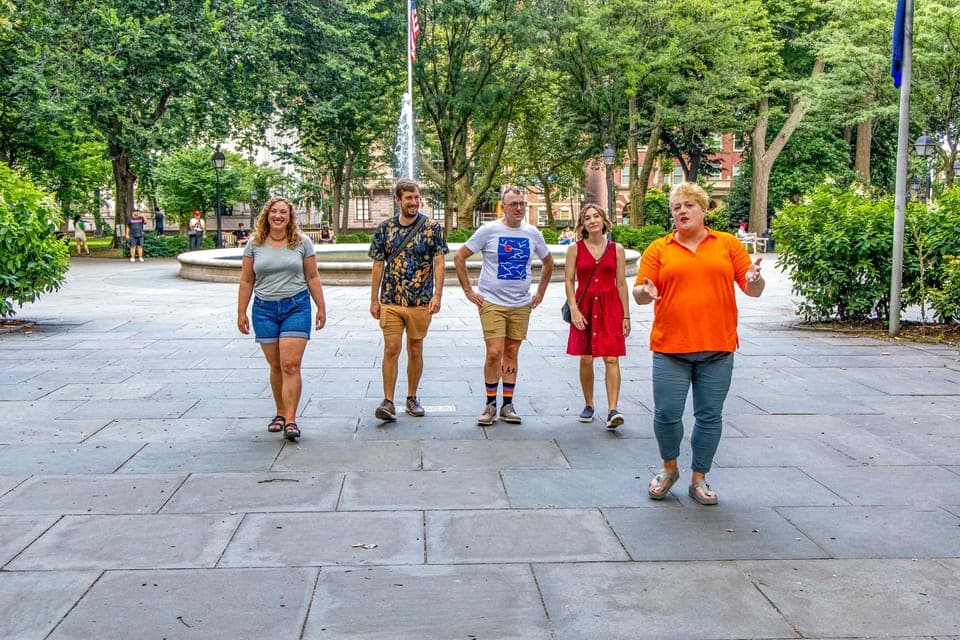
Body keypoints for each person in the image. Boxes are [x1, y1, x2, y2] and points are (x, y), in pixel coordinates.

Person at [633, 182, 764, 505]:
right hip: (670, 349)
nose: (682, 211)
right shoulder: (659, 249)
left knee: (709, 416)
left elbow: (753, 288)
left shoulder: (728, 244)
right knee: (666, 414)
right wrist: (643, 291)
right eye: (676, 207)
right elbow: (638, 294)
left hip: (717, 348)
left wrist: (755, 279)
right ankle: (669, 469)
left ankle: (699, 478)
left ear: (704, 210)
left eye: (689, 205)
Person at [454, 187, 554, 426]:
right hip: (492, 302)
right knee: (494, 352)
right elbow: (459, 257)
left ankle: (507, 405)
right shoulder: (489, 231)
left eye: (522, 204)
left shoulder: (532, 233)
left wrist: (540, 291)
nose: (519, 208)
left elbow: (548, 262)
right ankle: (490, 404)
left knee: (511, 353)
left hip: (521, 304)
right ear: (503, 207)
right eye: (514, 204)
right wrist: (469, 291)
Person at [237, 196, 327, 441]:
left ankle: (290, 419)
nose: (278, 216)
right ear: (267, 215)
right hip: (264, 309)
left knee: (290, 365)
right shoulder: (254, 244)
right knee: (276, 365)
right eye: (274, 212)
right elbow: (247, 280)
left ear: (290, 217)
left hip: (296, 307)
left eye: (283, 213)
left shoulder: (302, 242)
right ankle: (279, 412)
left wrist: (321, 307)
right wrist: (241, 311)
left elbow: (313, 276)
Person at [369, 179, 448, 421]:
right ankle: (388, 400)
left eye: (416, 198)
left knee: (415, 348)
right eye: (408, 198)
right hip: (392, 299)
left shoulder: (432, 228)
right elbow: (378, 264)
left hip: (420, 301)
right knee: (391, 348)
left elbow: (439, 262)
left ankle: (412, 397)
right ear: (398, 200)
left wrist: (437, 295)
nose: (413, 202)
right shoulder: (385, 228)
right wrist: (374, 299)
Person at [565, 203, 630, 428]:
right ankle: (589, 403)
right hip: (584, 306)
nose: (592, 220)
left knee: (611, 357)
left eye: (596, 216)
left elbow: (621, 283)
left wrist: (626, 316)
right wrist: (573, 308)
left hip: (610, 306)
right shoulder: (574, 249)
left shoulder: (617, 249)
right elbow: (568, 280)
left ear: (604, 221)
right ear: (582, 224)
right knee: (586, 357)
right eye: (587, 218)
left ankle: (613, 409)